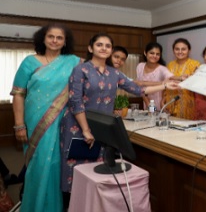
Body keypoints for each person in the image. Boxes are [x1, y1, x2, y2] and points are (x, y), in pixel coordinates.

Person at [60, 33, 179, 208]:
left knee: (96, 173)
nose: (104, 48)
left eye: (107, 46)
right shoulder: (81, 70)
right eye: (99, 45)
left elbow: (137, 89)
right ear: (90, 48)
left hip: (101, 128)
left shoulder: (114, 73)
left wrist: (164, 86)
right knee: (75, 171)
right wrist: (85, 129)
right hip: (78, 127)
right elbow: (75, 101)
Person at [10, 23, 81, 212]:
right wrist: (19, 125)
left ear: (65, 42)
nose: (55, 41)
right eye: (51, 36)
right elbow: (18, 94)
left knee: (58, 164)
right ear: (43, 38)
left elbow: (100, 75)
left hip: (64, 122)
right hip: (35, 123)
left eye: (60, 38)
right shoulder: (29, 62)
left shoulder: (73, 61)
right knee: (39, 164)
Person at [164, 38, 200, 119]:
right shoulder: (170, 65)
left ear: (189, 50)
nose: (180, 52)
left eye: (183, 49)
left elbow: (197, 84)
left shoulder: (195, 64)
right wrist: (163, 99)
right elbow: (165, 82)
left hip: (187, 104)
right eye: (177, 49)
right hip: (170, 102)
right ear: (173, 51)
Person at [136, 42, 173, 110]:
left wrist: (180, 78)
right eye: (152, 53)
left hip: (160, 105)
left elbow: (170, 77)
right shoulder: (140, 66)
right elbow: (140, 86)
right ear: (145, 53)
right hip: (146, 102)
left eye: (157, 54)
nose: (154, 56)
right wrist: (147, 103)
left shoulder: (162, 69)